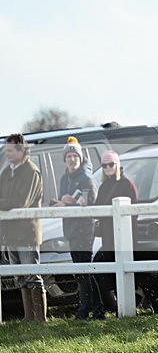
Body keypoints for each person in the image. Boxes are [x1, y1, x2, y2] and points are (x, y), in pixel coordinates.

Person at [51, 137, 101, 320]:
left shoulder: (86, 178)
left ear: (80, 158)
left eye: (75, 156)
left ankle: (88, 311)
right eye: (69, 156)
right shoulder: (65, 177)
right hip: (70, 227)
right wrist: (57, 203)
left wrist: (69, 203)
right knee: (82, 272)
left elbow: (90, 203)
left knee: (84, 271)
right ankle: (94, 309)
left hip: (84, 228)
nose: (72, 159)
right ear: (65, 159)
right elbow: (63, 199)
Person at [0, 134, 47, 322]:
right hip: (10, 233)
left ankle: (40, 318)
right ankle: (29, 316)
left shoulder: (31, 171)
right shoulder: (7, 171)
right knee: (19, 276)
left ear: (21, 150)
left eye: (10, 150)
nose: (7, 153)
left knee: (32, 276)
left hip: (26, 233)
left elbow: (22, 202)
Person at [92, 150, 138, 316]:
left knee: (124, 271)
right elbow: (98, 208)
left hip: (125, 236)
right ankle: (117, 307)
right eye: (105, 165)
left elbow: (134, 211)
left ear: (117, 165)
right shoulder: (104, 186)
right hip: (108, 237)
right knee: (110, 272)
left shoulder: (126, 184)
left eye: (111, 164)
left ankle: (127, 308)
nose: (108, 168)